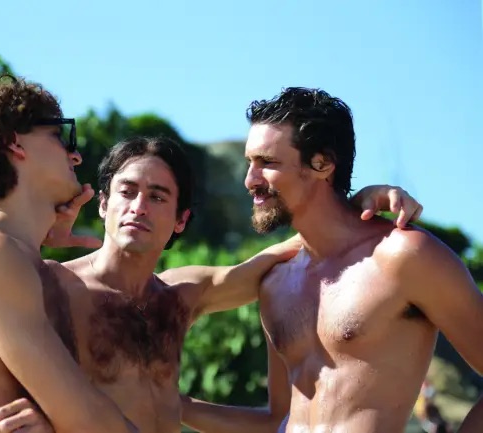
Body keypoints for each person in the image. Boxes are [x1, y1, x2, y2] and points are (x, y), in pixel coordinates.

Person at [0, 132, 424, 432]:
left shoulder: (180, 295)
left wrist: (359, 206)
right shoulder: (50, 281)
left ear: (180, 220)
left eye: (157, 197)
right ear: (102, 204)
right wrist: (38, 242)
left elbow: (286, 251)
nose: (138, 206)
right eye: (126, 191)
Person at [178, 87, 483, 433]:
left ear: (322, 164)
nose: (250, 180)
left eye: (267, 163)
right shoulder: (276, 282)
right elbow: (277, 420)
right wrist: (176, 406)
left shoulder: (404, 256)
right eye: (250, 163)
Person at [0, 75, 137, 433]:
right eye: (58, 136)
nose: (75, 154)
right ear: (15, 142)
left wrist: (35, 238)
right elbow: (87, 417)